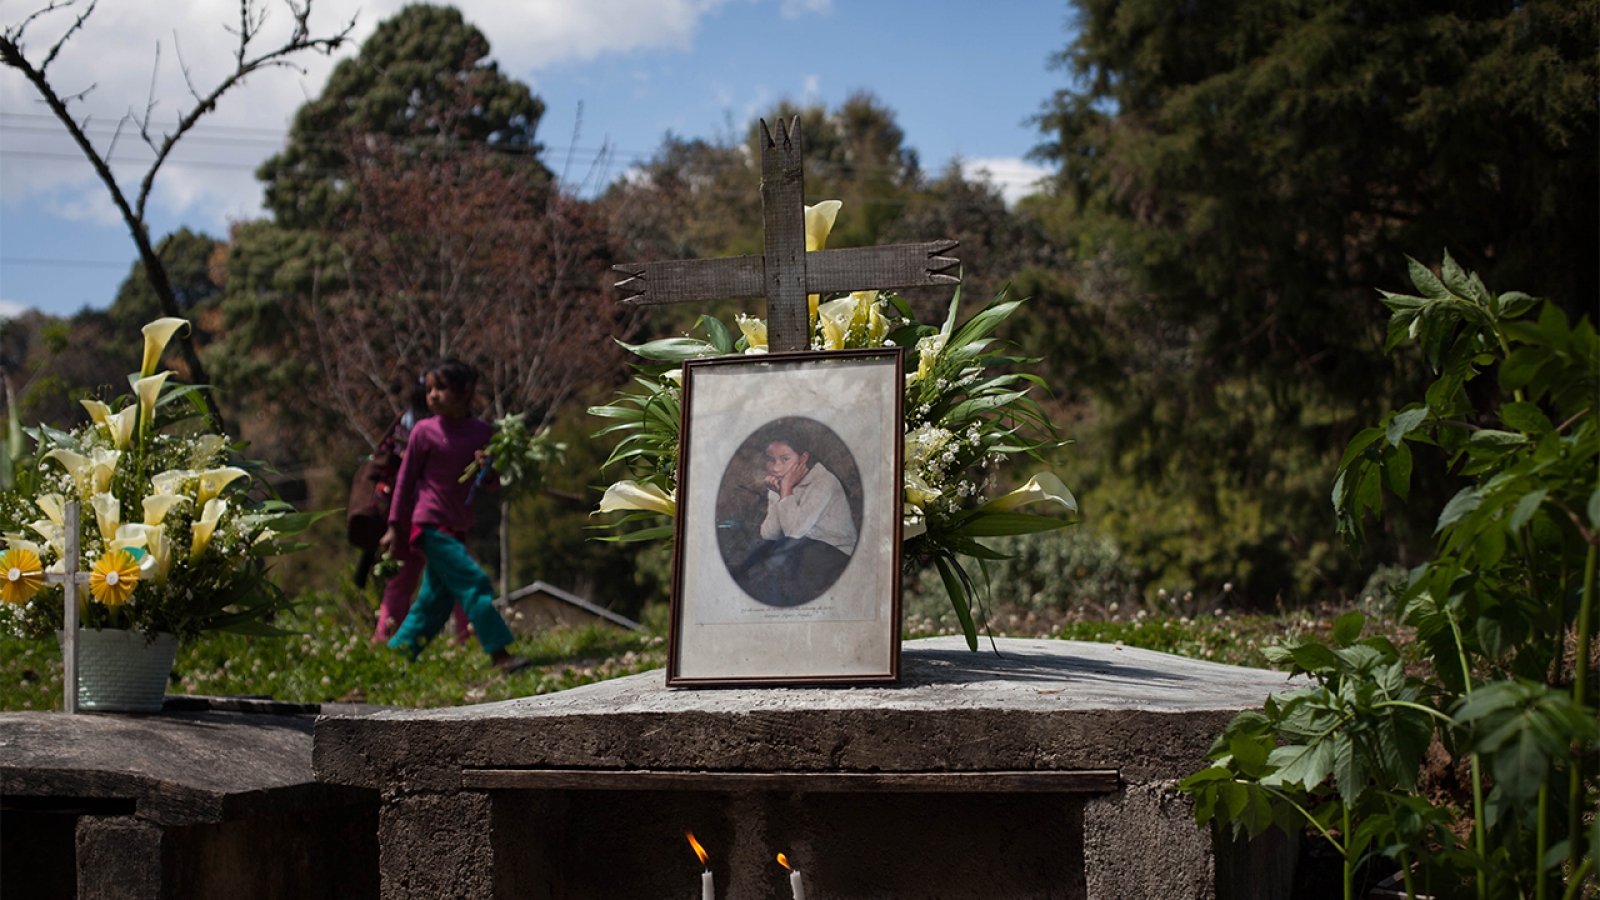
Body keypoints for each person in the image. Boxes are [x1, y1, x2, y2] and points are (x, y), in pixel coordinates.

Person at [381, 359, 527, 671]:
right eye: (429, 389)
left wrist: (487, 467)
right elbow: (405, 482)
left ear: (467, 391)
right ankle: (500, 654)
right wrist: (395, 526)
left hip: (457, 526)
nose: (432, 396)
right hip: (430, 526)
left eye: (441, 388)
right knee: (474, 581)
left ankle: (390, 661)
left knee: (434, 603)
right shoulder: (424, 432)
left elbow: (490, 484)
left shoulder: (482, 432)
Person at [371, 377, 470, 645]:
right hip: (434, 516)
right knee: (463, 578)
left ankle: (384, 639)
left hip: (407, 516)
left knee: (402, 580)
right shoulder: (437, 430)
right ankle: (470, 638)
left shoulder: (405, 425)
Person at [730, 429, 857, 606]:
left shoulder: (824, 482)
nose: (776, 468)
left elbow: (794, 531)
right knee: (757, 547)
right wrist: (778, 494)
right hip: (799, 548)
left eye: (785, 459)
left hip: (833, 551)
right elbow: (769, 534)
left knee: (781, 556)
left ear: (803, 459)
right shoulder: (781, 484)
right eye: (770, 460)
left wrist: (786, 489)